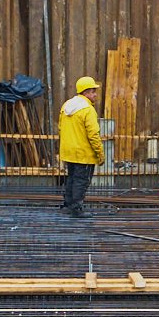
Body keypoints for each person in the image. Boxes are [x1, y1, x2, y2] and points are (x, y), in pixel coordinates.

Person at [58, 76, 105, 218]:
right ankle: (76, 209)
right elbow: (93, 135)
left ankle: (68, 203)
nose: (95, 94)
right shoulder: (87, 110)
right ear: (85, 93)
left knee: (72, 177)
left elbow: (60, 128)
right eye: (92, 91)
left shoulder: (66, 106)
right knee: (81, 180)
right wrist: (100, 153)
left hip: (69, 152)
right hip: (83, 153)